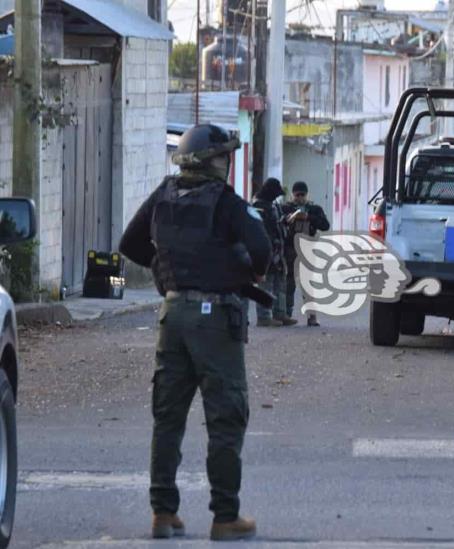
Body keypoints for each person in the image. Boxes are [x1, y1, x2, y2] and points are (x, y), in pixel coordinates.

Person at [119, 124, 271, 542]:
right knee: (225, 418)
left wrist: (169, 266)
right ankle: (225, 517)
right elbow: (261, 249)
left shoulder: (163, 196)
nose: (227, 163)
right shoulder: (226, 203)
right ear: (210, 162)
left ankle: (163, 515)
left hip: (172, 315)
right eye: (224, 157)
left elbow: (130, 243)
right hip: (214, 319)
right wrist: (237, 269)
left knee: (167, 418)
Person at [282, 181, 330, 327]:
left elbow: (325, 225)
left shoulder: (314, 209)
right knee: (288, 283)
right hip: (290, 249)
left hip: (307, 249)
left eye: (302, 195)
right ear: (292, 195)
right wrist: (290, 218)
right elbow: (280, 223)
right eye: (297, 195)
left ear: (307, 194)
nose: (300, 198)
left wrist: (308, 217)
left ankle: (312, 316)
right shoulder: (285, 208)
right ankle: (287, 314)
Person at [252, 177, 296, 327]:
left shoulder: (273, 205)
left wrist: (285, 221)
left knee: (280, 283)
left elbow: (277, 223)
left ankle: (280, 313)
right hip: (266, 249)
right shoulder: (258, 206)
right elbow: (259, 228)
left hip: (278, 249)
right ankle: (264, 317)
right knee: (266, 284)